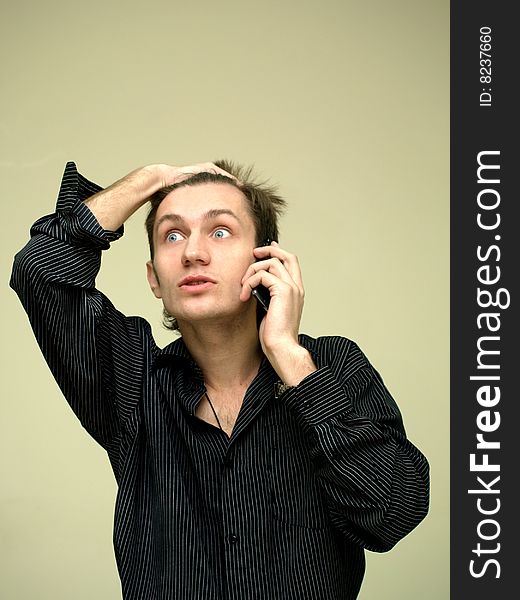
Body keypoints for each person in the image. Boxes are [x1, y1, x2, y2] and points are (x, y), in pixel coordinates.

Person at [10, 160, 430, 600]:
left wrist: (291, 360)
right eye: (172, 235)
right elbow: (40, 269)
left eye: (221, 231)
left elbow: (391, 515)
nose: (193, 252)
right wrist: (152, 177)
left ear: (267, 260)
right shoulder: (133, 383)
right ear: (155, 278)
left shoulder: (331, 366)